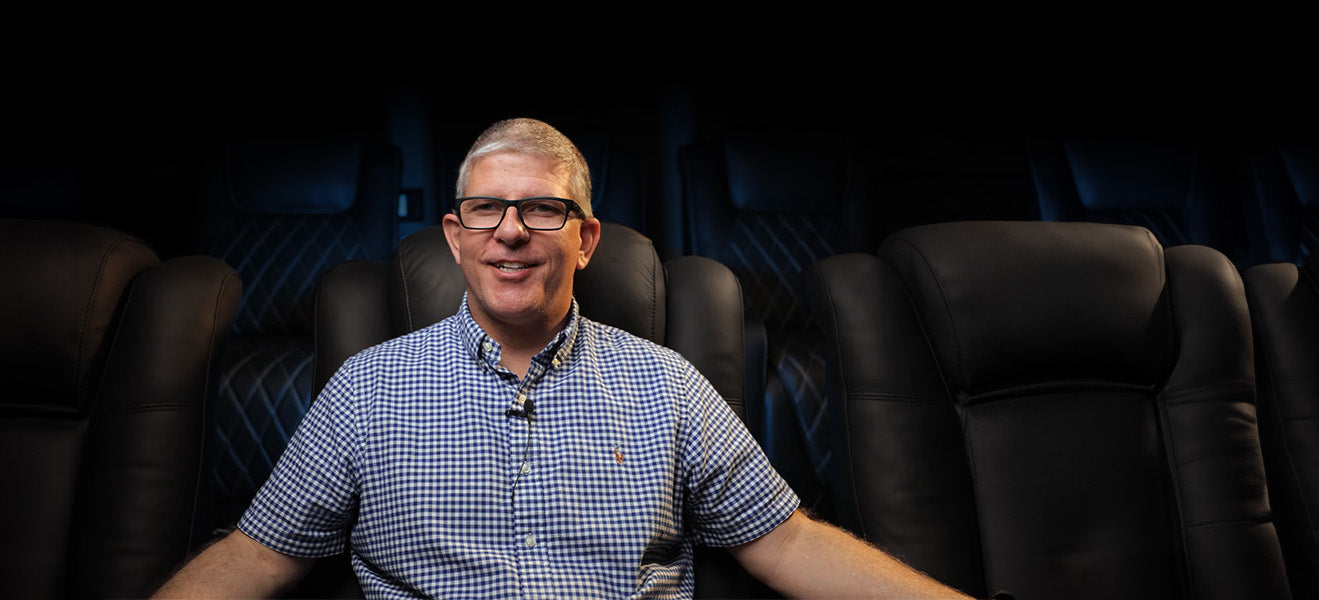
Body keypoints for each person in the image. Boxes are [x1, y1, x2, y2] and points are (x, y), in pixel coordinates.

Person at [152, 118, 975, 599]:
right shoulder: (367, 389)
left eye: (542, 209)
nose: (511, 231)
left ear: (585, 240)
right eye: (486, 210)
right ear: (456, 238)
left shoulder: (666, 385)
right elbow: (258, 551)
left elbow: (790, 541)